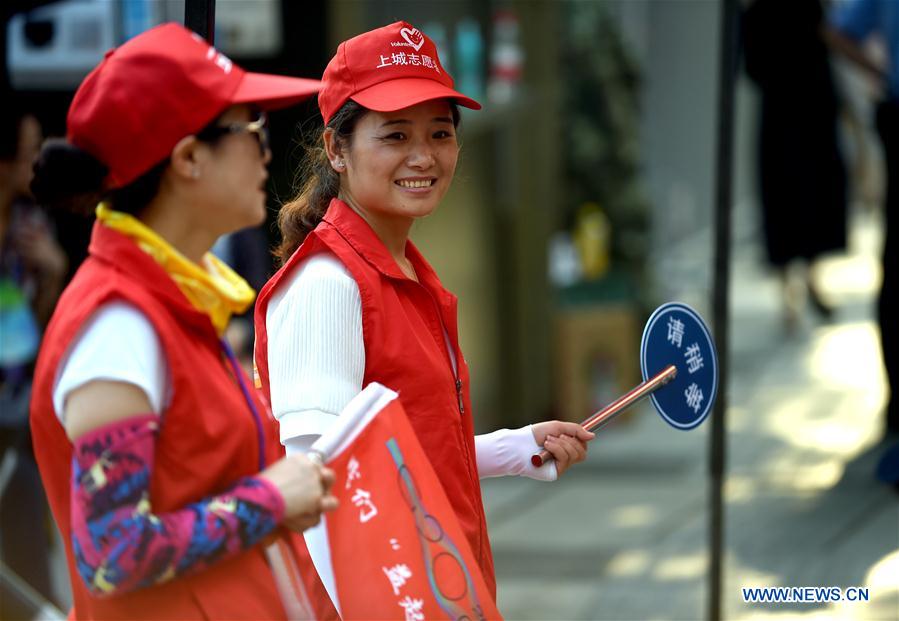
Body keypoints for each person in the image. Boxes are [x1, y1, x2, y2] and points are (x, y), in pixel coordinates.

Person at [253, 21, 595, 605]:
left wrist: (512, 450)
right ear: (337, 149)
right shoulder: (328, 285)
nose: (423, 156)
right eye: (394, 135)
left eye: (440, 132)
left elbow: (402, 450)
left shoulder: (403, 267)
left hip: (443, 590)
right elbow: (317, 491)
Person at [28, 23, 339, 620]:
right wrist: (271, 498)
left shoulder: (169, 302)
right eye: (253, 130)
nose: (266, 151)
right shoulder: (119, 325)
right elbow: (112, 552)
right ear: (189, 158)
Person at [742, 0, 849, 331]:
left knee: (804, 200)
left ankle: (805, 281)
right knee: (786, 200)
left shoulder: (803, 7)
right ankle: (791, 289)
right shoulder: (763, 11)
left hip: (803, 110)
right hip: (790, 110)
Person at [0, 99, 66, 605]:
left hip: (19, 401)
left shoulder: (30, 224)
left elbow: (38, 324)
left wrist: (54, 269)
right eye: (27, 153)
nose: (36, 164)